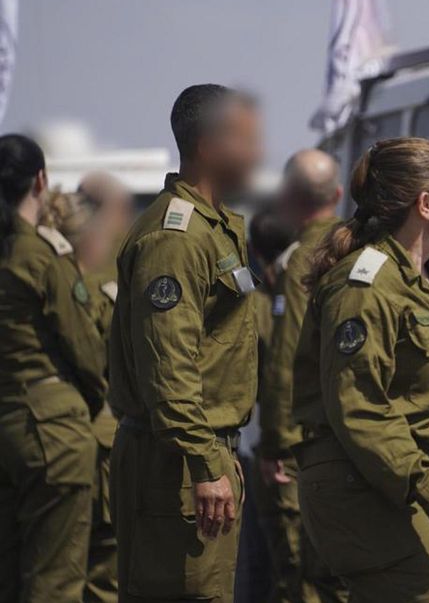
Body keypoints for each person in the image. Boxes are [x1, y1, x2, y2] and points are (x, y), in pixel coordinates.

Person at [291, 137, 429, 602]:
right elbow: (362, 408)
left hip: (397, 487)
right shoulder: (365, 286)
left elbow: (426, 417)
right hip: (362, 493)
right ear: (426, 204)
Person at [107, 83, 264, 602]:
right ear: (210, 147)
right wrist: (203, 458)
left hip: (196, 453)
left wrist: (215, 452)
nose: (258, 153)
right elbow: (167, 363)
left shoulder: (213, 227)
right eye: (247, 140)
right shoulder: (176, 238)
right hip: (173, 461)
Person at [0, 134, 107, 602]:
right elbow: (85, 347)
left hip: (7, 423)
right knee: (55, 582)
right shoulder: (43, 255)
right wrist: (90, 401)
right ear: (40, 180)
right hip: (52, 430)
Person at [258, 148, 348, 603]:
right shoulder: (359, 246)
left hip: (303, 444)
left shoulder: (302, 260)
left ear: (288, 196)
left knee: (303, 576)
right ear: (337, 194)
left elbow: (284, 357)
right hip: (351, 437)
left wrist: (274, 443)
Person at [40, 189, 125, 603]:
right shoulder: (103, 292)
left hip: (43, 439)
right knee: (103, 568)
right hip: (99, 443)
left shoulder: (35, 285)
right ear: (91, 238)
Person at [242, 207, 297, 603]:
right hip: (317, 441)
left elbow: (271, 373)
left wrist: (272, 446)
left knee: (283, 557)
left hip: (274, 442)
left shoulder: (262, 301)